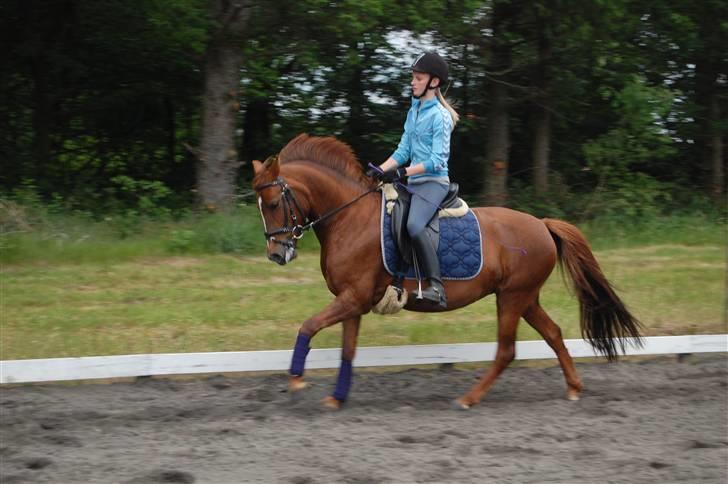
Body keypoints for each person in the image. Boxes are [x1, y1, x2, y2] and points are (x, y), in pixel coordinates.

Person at [367, 51, 459, 308]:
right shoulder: (415, 110)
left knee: (415, 225)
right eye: (413, 78)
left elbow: (437, 160)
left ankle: (436, 288)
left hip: (434, 183)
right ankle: (397, 276)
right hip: (413, 183)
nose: (413, 82)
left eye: (418, 78)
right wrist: (379, 170)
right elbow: (403, 151)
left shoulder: (439, 116)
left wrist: (402, 173)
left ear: (434, 82)